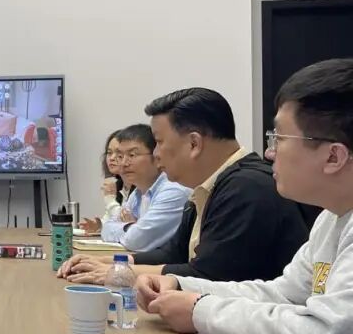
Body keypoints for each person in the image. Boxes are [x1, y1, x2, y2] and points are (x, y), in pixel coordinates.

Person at [136, 59, 353, 334]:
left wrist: (201, 311)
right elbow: (283, 294)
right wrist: (182, 286)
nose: (269, 151)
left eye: (279, 138)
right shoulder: (333, 217)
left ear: (333, 157)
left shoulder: (248, 186)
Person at [59, 87, 308, 285]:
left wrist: (119, 273)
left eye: (159, 142)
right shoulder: (208, 187)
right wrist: (111, 261)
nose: (156, 154)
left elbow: (207, 277)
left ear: (193, 144)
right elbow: (174, 254)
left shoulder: (246, 188)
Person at [96, 124, 190, 251]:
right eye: (120, 157)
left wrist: (132, 229)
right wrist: (131, 227)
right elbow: (107, 227)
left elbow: (136, 241)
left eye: (132, 155)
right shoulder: (138, 193)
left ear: (156, 156)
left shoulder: (174, 191)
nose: (123, 163)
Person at [80, 130, 131, 233]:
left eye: (118, 153)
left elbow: (126, 224)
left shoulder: (140, 187)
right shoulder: (118, 184)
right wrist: (99, 226)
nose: (112, 158)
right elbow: (112, 221)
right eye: (109, 153)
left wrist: (110, 200)